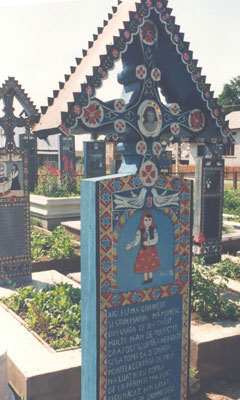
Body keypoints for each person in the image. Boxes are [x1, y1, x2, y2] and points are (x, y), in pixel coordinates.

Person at [125, 211, 160, 284]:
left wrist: (149, 242)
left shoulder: (154, 230)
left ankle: (150, 278)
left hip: (152, 250)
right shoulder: (140, 231)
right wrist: (130, 245)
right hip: (144, 250)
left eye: (149, 220)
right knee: (145, 265)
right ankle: (146, 279)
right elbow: (136, 241)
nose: (148, 222)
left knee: (150, 265)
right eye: (146, 220)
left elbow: (156, 239)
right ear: (142, 220)